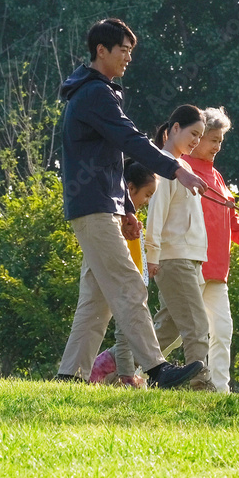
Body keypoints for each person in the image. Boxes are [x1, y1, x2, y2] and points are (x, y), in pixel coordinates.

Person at [56, 18, 208, 389]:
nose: (128, 57)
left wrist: (126, 207)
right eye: (122, 50)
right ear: (101, 51)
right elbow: (131, 141)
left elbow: (112, 159)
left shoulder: (97, 92)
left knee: (97, 300)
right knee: (129, 285)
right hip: (92, 207)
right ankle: (157, 369)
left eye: (130, 51)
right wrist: (177, 169)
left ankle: (69, 376)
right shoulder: (94, 94)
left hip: (100, 206)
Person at [179, 107, 239, 393]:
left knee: (223, 331)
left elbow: (234, 224)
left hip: (217, 271)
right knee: (178, 331)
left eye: (220, 141)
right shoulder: (180, 170)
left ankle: (220, 390)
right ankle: (137, 372)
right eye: (212, 139)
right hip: (188, 265)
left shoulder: (218, 177)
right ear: (196, 137)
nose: (216, 146)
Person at [146, 105, 217, 392]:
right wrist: (152, 256)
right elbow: (156, 214)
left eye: (201, 136)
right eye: (193, 134)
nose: (196, 141)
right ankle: (200, 385)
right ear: (174, 128)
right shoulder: (165, 166)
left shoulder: (184, 168)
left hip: (189, 259)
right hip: (173, 259)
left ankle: (115, 368)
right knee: (198, 326)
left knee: (168, 329)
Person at [89, 161, 156, 388]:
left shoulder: (131, 219)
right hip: (122, 284)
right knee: (125, 331)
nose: (146, 202)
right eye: (146, 195)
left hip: (134, 281)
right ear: (129, 189)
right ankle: (126, 377)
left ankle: (115, 370)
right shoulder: (114, 220)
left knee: (130, 332)